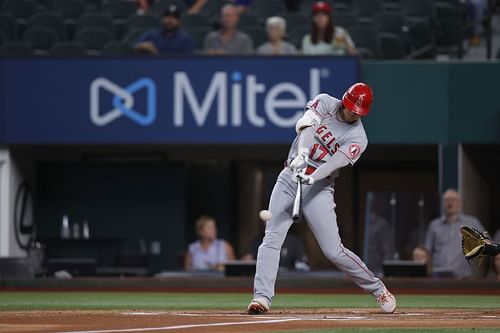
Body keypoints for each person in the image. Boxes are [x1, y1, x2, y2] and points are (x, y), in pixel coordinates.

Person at [247, 83, 397, 315]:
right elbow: (307, 124)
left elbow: (335, 162)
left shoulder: (358, 137)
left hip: (319, 186)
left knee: (333, 250)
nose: (350, 114)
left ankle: (378, 289)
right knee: (272, 237)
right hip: (291, 175)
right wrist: (302, 155)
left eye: (357, 112)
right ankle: (262, 297)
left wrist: (313, 175)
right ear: (345, 100)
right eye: (349, 108)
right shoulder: (326, 102)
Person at [424, 189, 485, 279]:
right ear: (443, 204)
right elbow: (427, 251)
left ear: (460, 204)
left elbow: (487, 244)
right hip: (438, 277)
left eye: (453, 200)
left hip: (463, 277)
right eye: (447, 200)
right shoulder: (434, 225)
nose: (450, 203)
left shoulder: (471, 222)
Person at [242, 222, 309, 271]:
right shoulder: (258, 241)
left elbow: (302, 265)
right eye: (267, 222)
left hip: (286, 278)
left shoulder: (293, 241)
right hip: (265, 274)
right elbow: (249, 259)